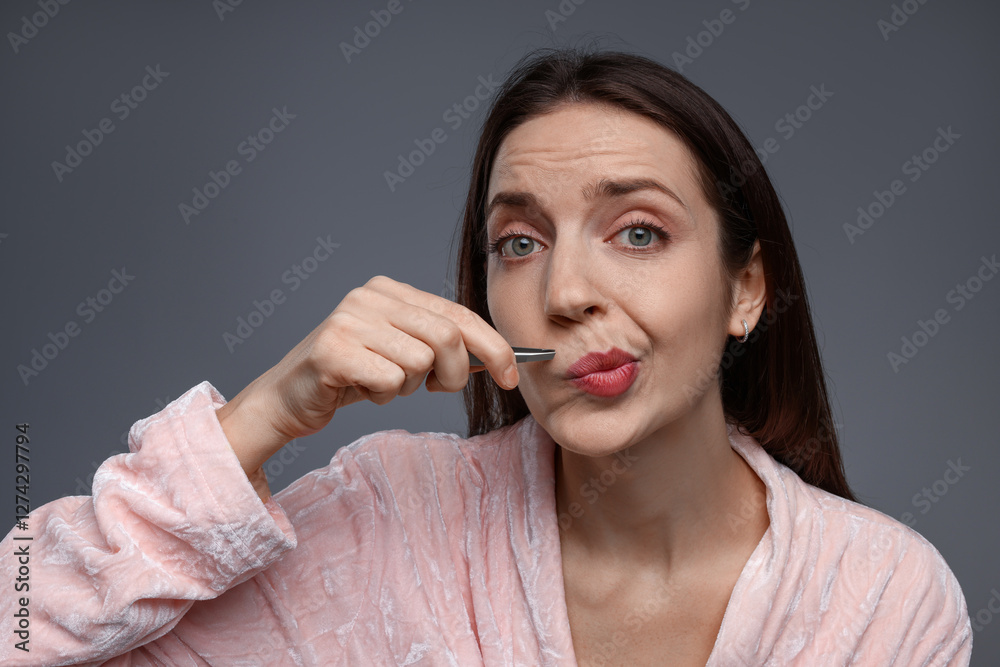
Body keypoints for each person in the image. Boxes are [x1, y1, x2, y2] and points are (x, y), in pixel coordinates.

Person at [1, 47, 972, 666]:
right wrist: (260, 418)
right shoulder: (388, 516)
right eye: (519, 242)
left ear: (745, 288)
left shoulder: (881, 596)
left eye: (636, 231)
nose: (564, 292)